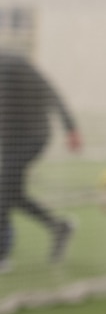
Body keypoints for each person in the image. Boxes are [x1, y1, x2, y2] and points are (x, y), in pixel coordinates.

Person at [0, 52, 81, 271]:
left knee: (4, 190)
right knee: (14, 194)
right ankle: (59, 227)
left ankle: (2, 254)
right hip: (11, 141)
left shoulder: (12, 62)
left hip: (32, 137)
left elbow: (50, 90)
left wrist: (70, 127)